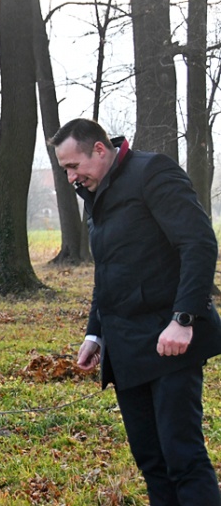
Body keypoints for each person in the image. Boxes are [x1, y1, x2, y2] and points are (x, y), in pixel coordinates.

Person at [49, 118, 221, 505]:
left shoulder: (152, 172)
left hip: (171, 341)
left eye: (74, 166)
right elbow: (110, 269)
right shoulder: (95, 191)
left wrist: (184, 319)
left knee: (183, 457)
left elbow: (198, 244)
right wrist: (96, 332)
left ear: (99, 149)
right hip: (125, 347)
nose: (71, 178)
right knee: (151, 460)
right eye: (65, 171)